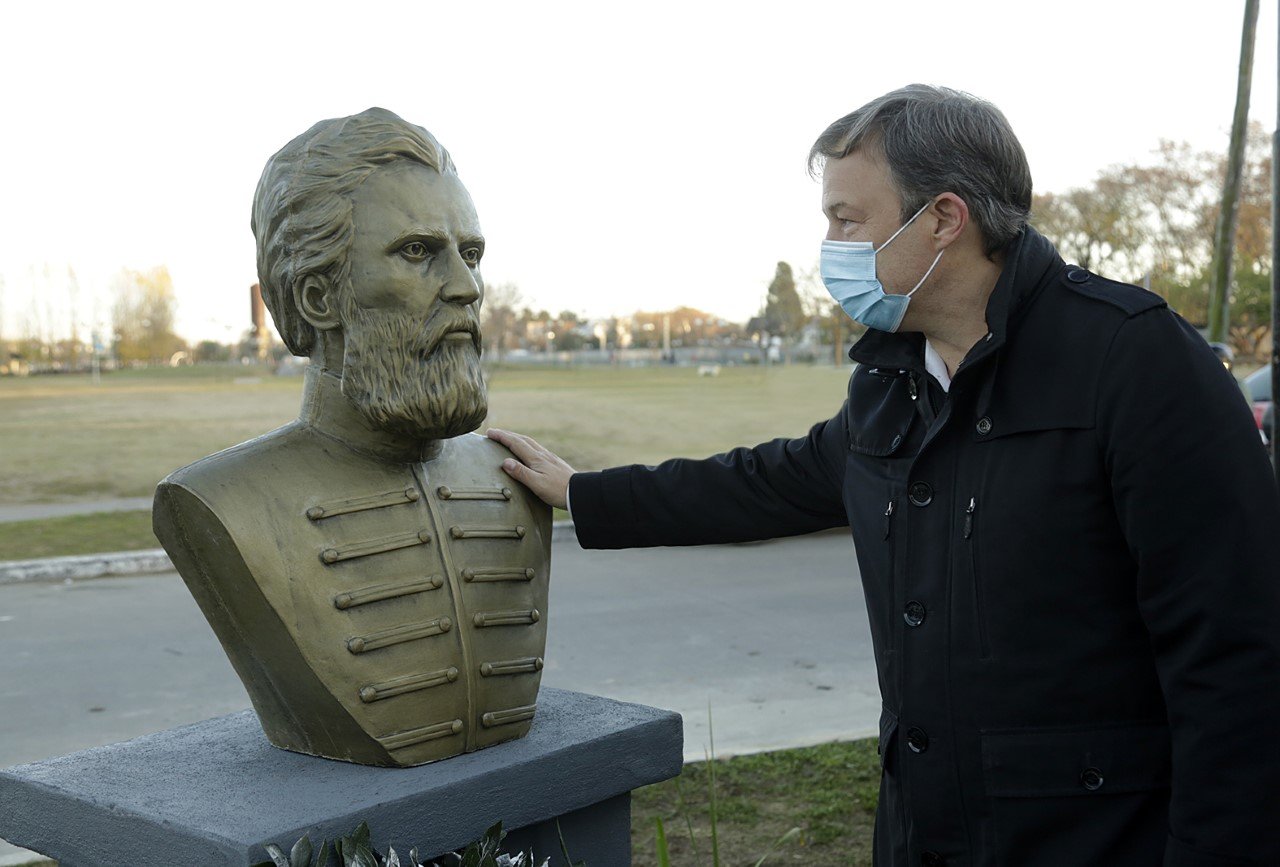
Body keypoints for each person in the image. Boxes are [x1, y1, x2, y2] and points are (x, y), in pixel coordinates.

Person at [487, 84, 1280, 865]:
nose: (829, 244)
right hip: (922, 831)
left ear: (942, 219)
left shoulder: (1134, 360)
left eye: (845, 218)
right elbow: (765, 482)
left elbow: (1236, 662)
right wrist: (583, 493)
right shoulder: (890, 378)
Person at [154, 108, 552, 768]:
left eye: (472, 254)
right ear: (318, 295)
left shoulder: (512, 477)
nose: (467, 287)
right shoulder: (219, 502)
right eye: (418, 252)